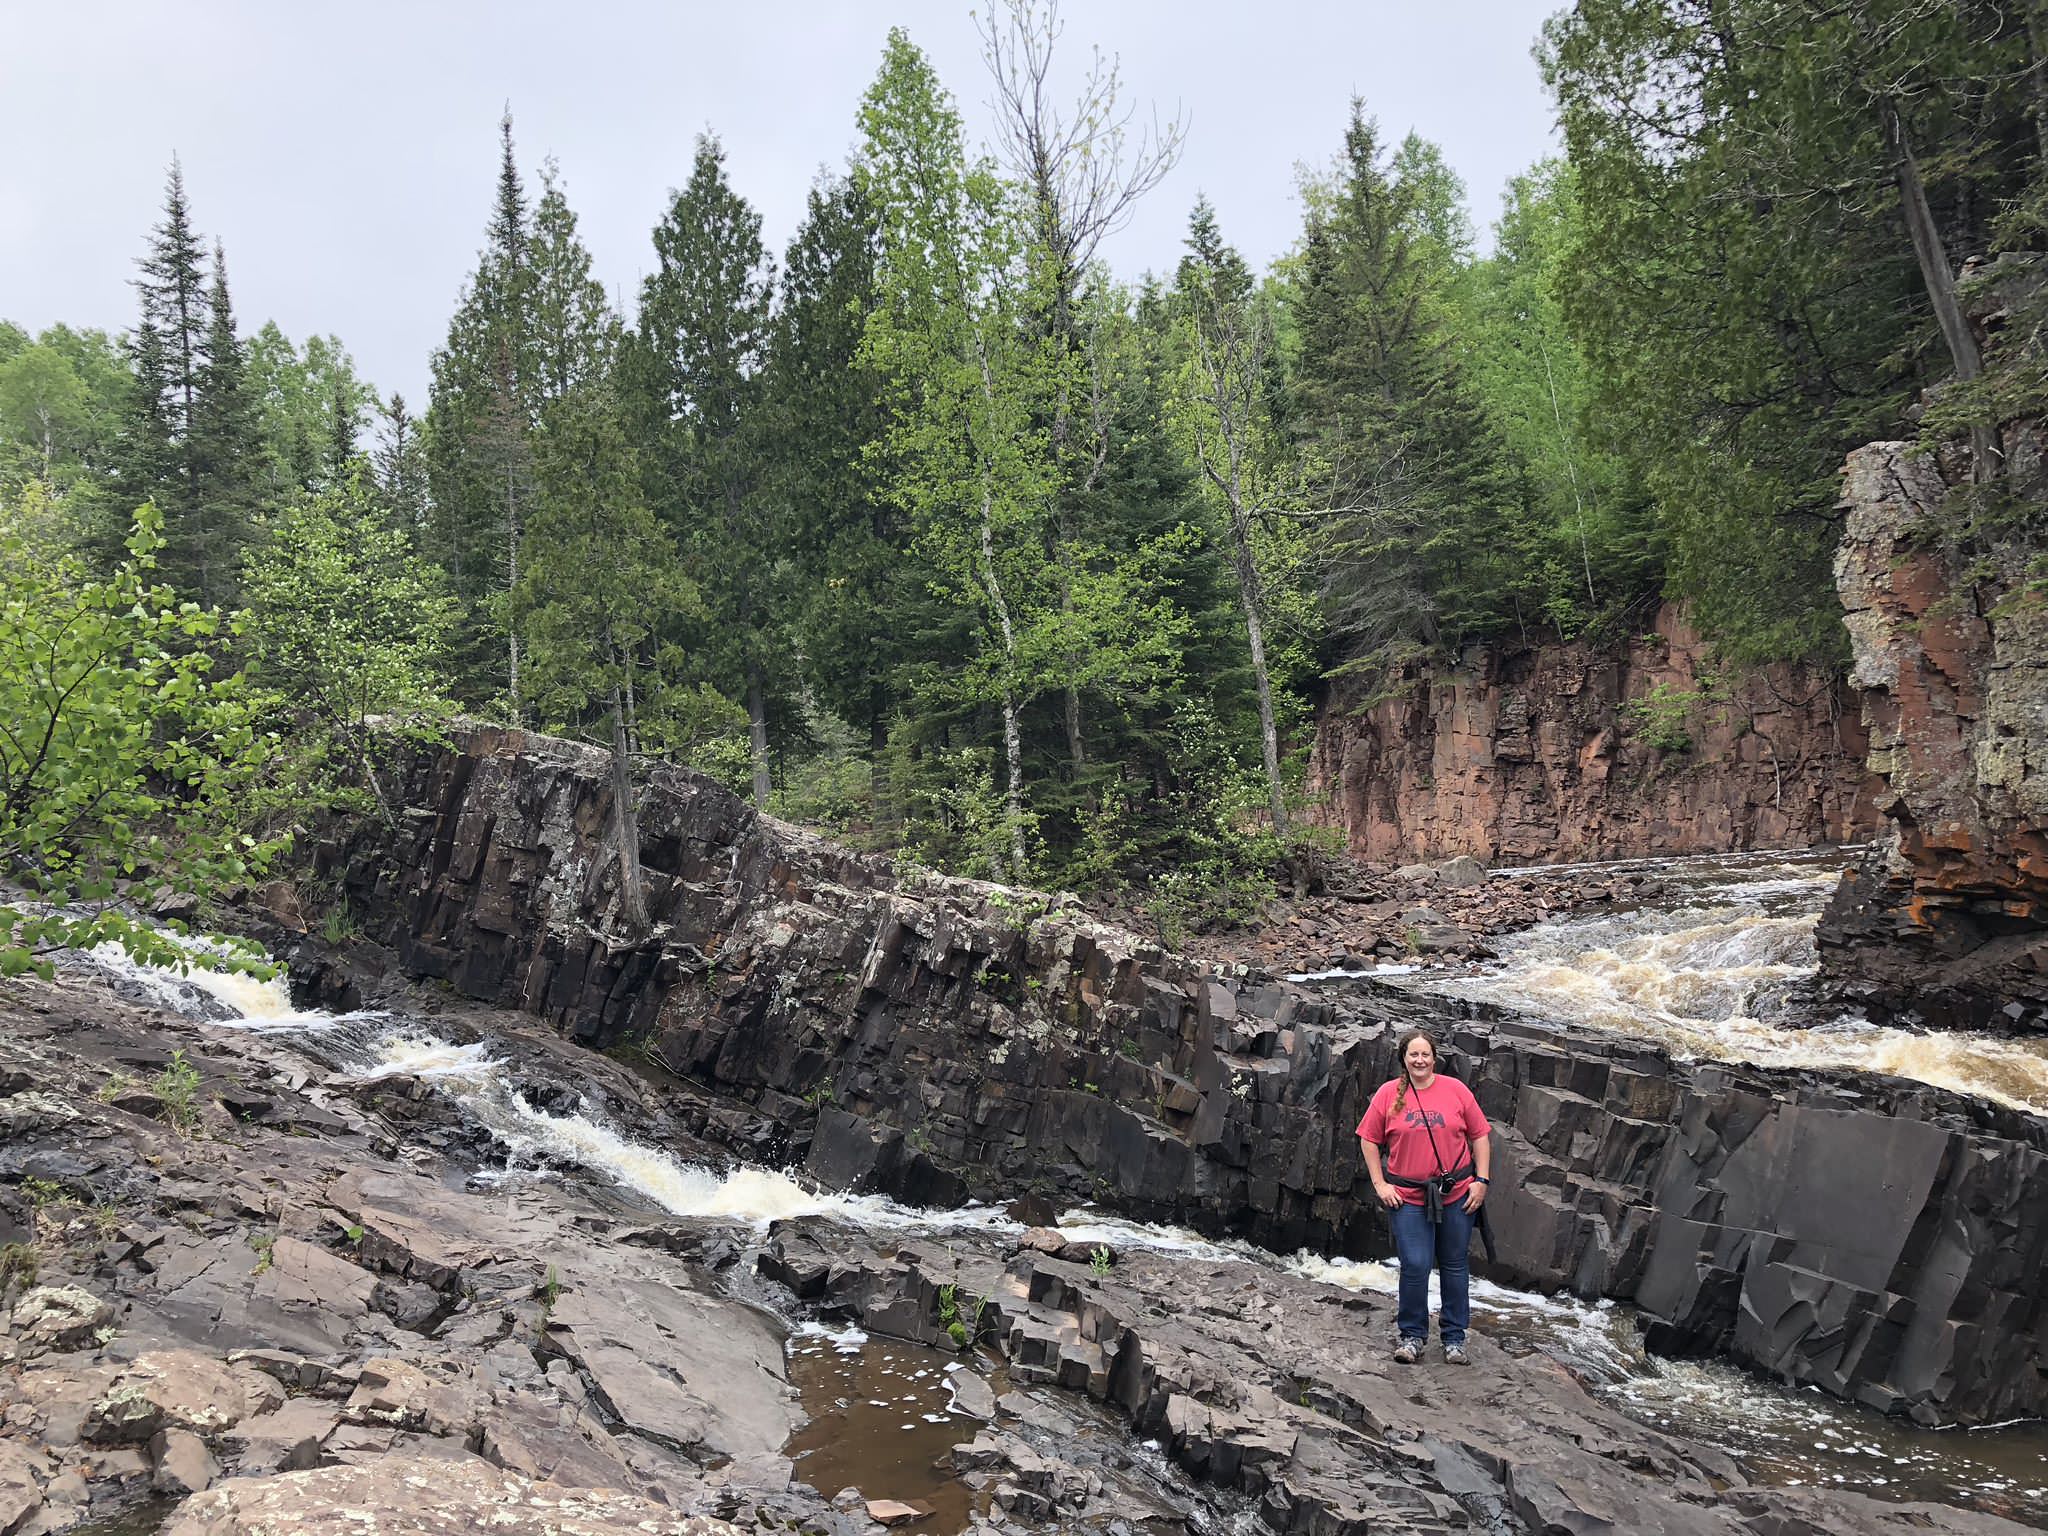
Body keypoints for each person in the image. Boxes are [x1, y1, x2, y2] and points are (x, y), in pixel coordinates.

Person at [1356, 1027, 1492, 1365]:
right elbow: (1368, 1139)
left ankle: (1454, 1339)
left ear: (1434, 1058)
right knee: (1415, 1264)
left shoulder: (1455, 1090)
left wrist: (1481, 1180)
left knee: (1454, 1264)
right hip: (1408, 1196)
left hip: (1457, 1193)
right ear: (1404, 1059)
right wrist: (1380, 1184)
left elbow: (1480, 1135)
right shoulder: (1388, 1094)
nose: (1420, 1060)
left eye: (1425, 1054)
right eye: (1413, 1054)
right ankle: (1412, 1336)